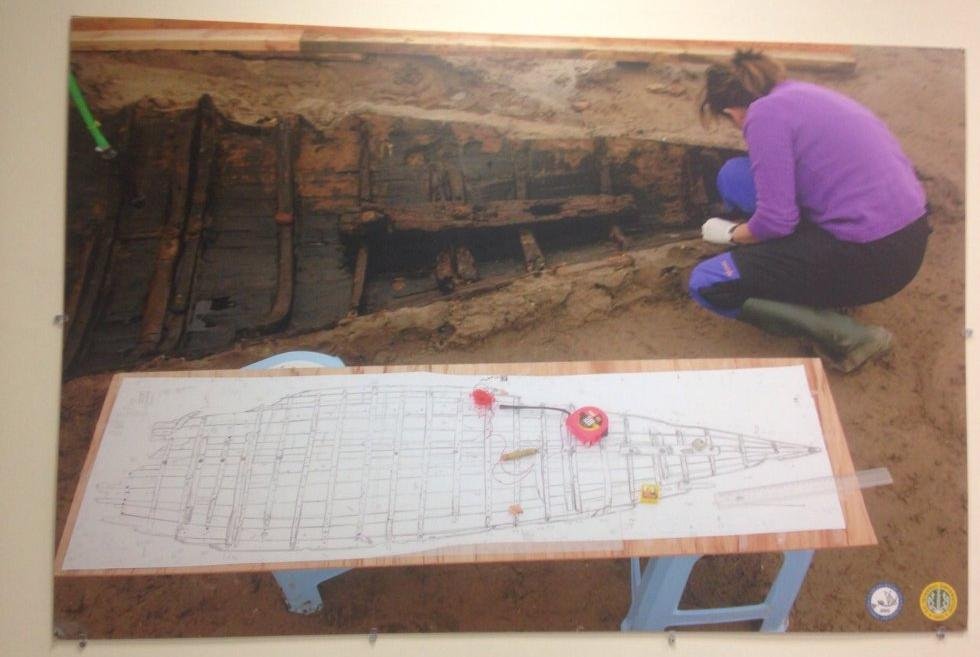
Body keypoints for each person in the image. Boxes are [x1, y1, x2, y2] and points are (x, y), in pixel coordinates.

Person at [688, 50, 930, 372]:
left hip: (874, 257)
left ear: (732, 110)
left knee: (707, 282)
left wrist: (732, 234)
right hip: (908, 230)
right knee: (733, 175)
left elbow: (776, 221)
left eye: (732, 121)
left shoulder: (762, 115)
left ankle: (852, 337)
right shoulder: (798, 93)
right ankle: (807, 267)